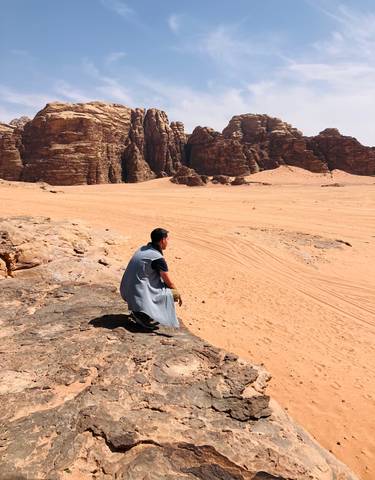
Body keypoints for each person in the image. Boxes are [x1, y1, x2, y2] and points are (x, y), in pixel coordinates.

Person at [120, 228, 182, 330]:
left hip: (126, 290)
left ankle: (143, 312)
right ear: (162, 240)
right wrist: (177, 292)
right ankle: (141, 314)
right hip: (136, 295)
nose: (168, 242)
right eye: (167, 239)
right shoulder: (157, 257)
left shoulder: (143, 249)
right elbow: (168, 281)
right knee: (173, 294)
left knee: (162, 285)